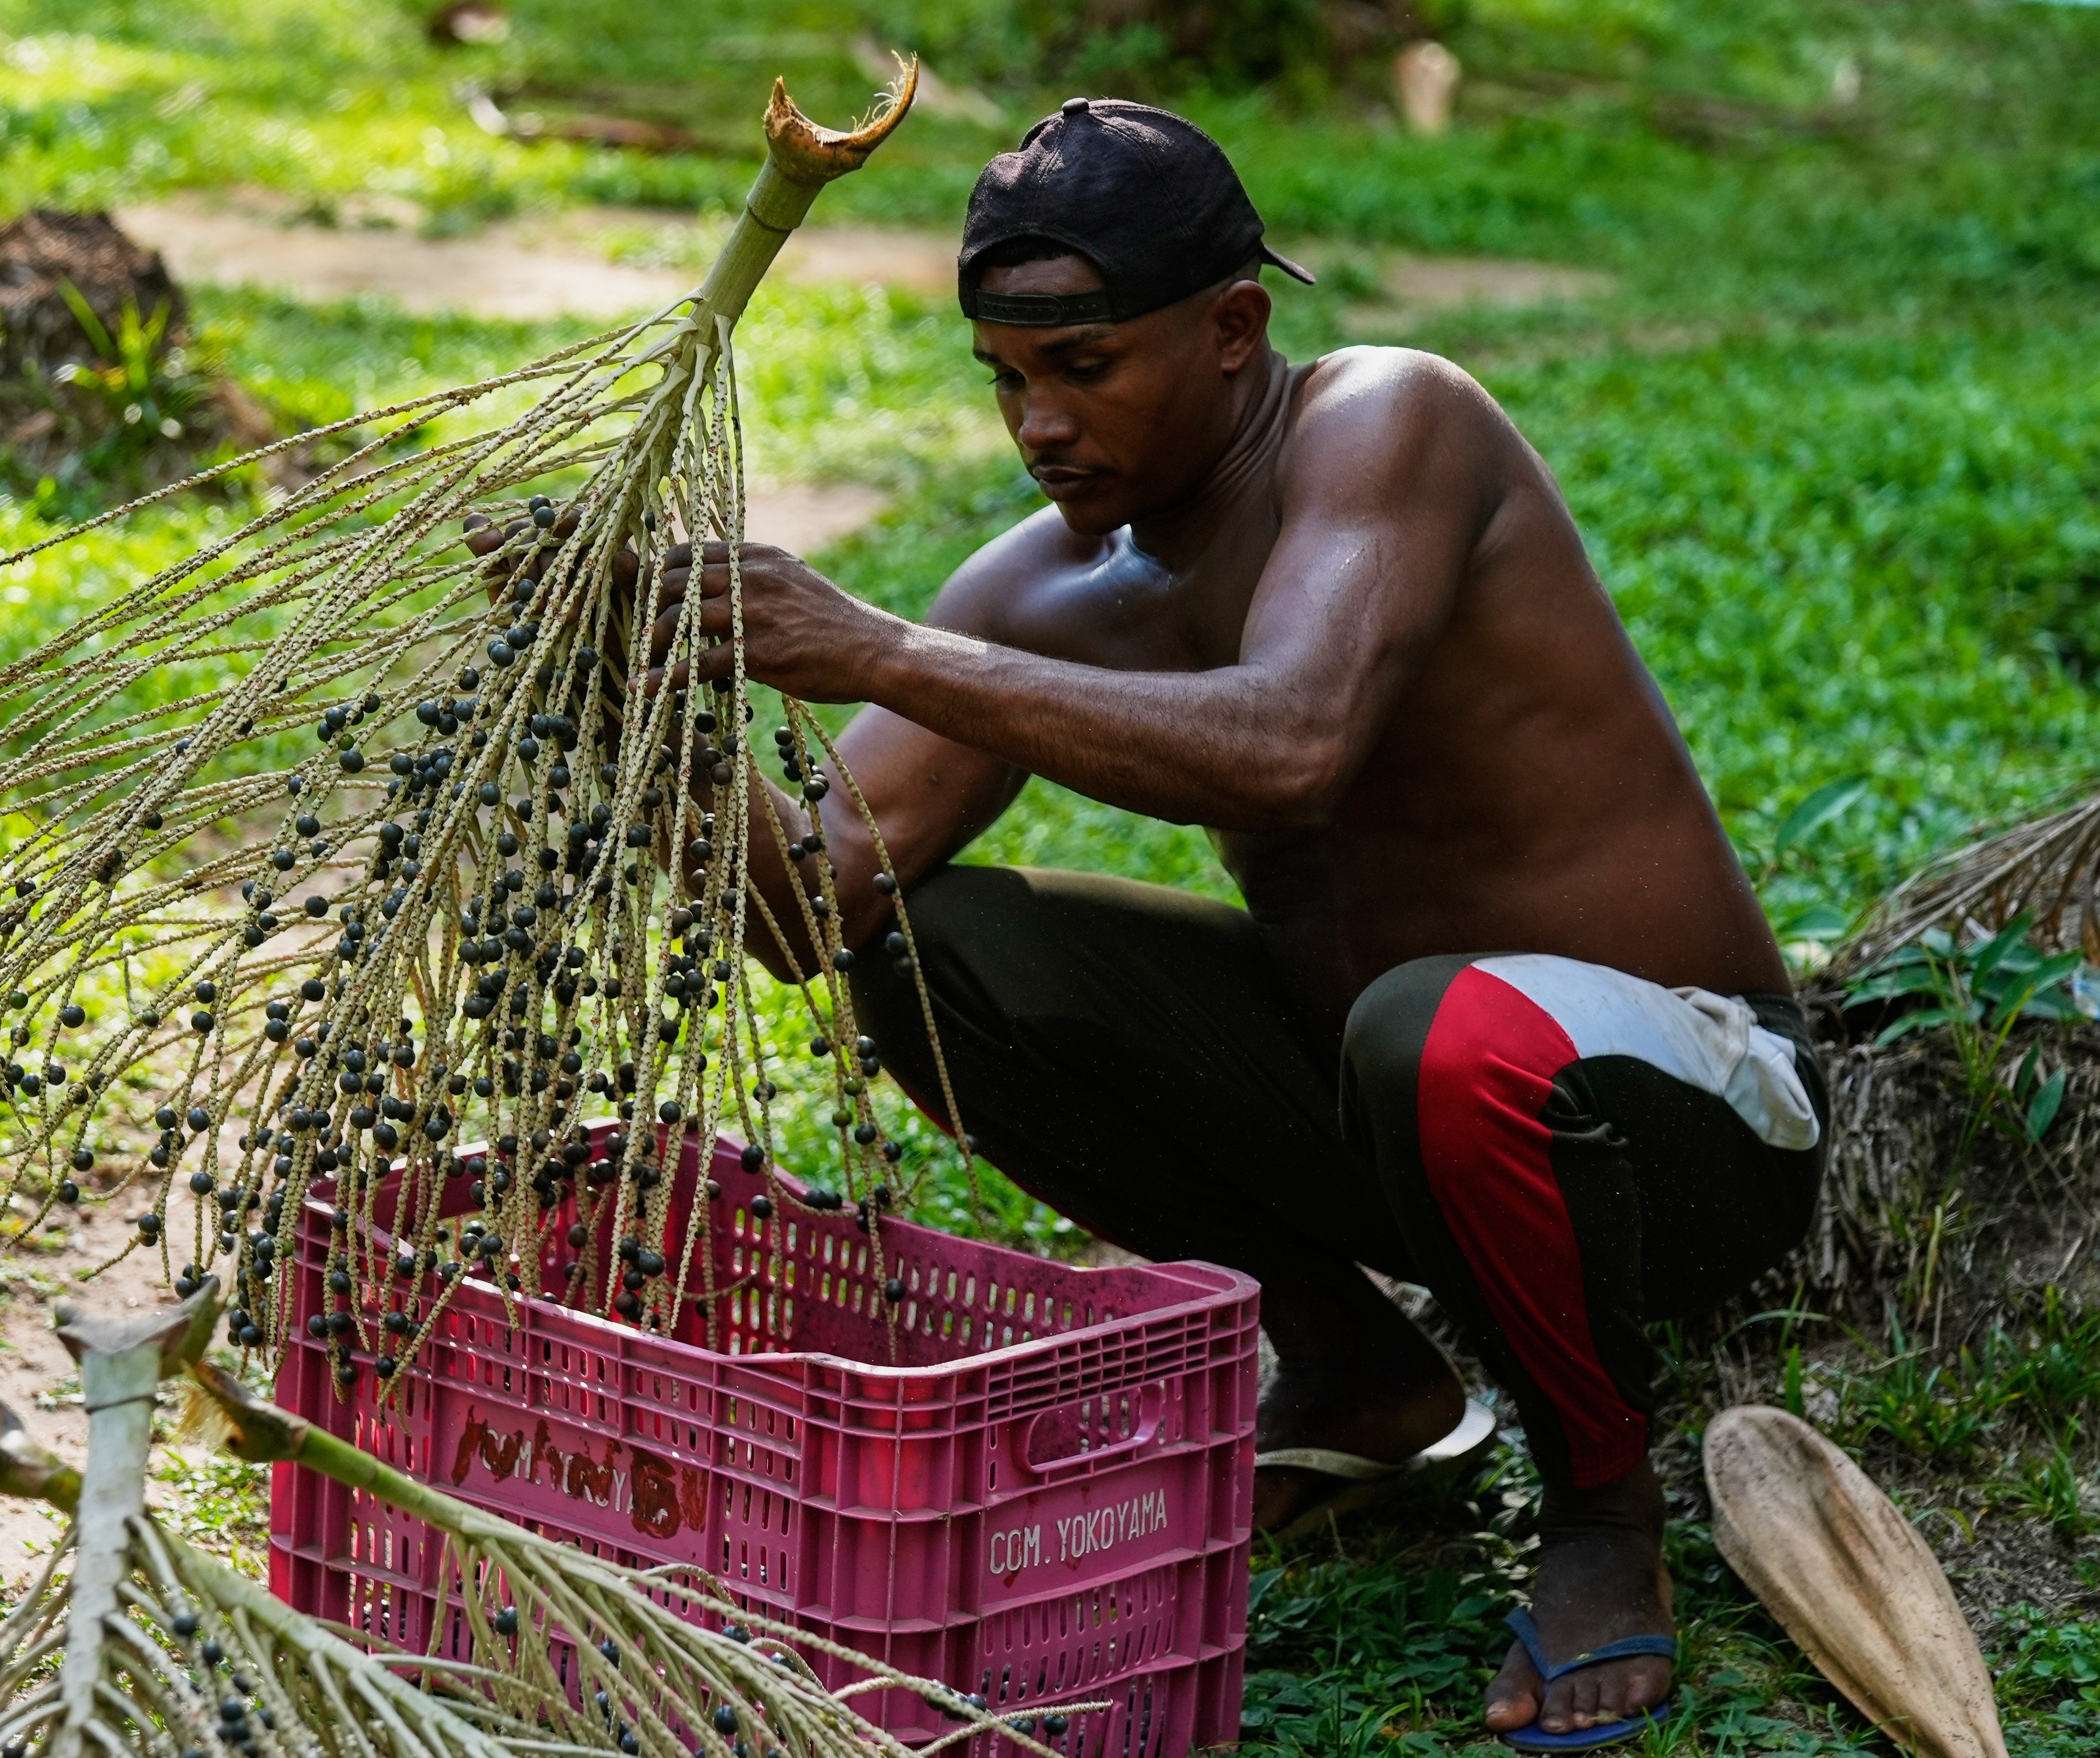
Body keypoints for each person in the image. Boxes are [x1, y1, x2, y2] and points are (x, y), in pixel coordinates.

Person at [654, 98, 1827, 1751]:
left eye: (1085, 368)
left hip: (1684, 1128)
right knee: (934, 946)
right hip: (1394, 1116)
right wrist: (633, 709)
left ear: (1233, 329)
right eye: (1005, 377)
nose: (1038, 425)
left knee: (1435, 1028)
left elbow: (1293, 746)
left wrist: (883, 650)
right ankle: (1359, 1370)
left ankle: (1600, 1513)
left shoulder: (1394, 421)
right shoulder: (1047, 588)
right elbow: (812, 906)